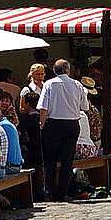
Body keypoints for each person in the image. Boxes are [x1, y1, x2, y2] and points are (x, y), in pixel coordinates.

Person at [37, 58, 88, 200]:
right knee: (67, 160)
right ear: (68, 70)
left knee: (49, 160)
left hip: (53, 124)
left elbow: (43, 108)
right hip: (71, 124)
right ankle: (63, 192)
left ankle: (49, 192)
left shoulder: (49, 84)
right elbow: (85, 107)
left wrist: (42, 125)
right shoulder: (77, 85)